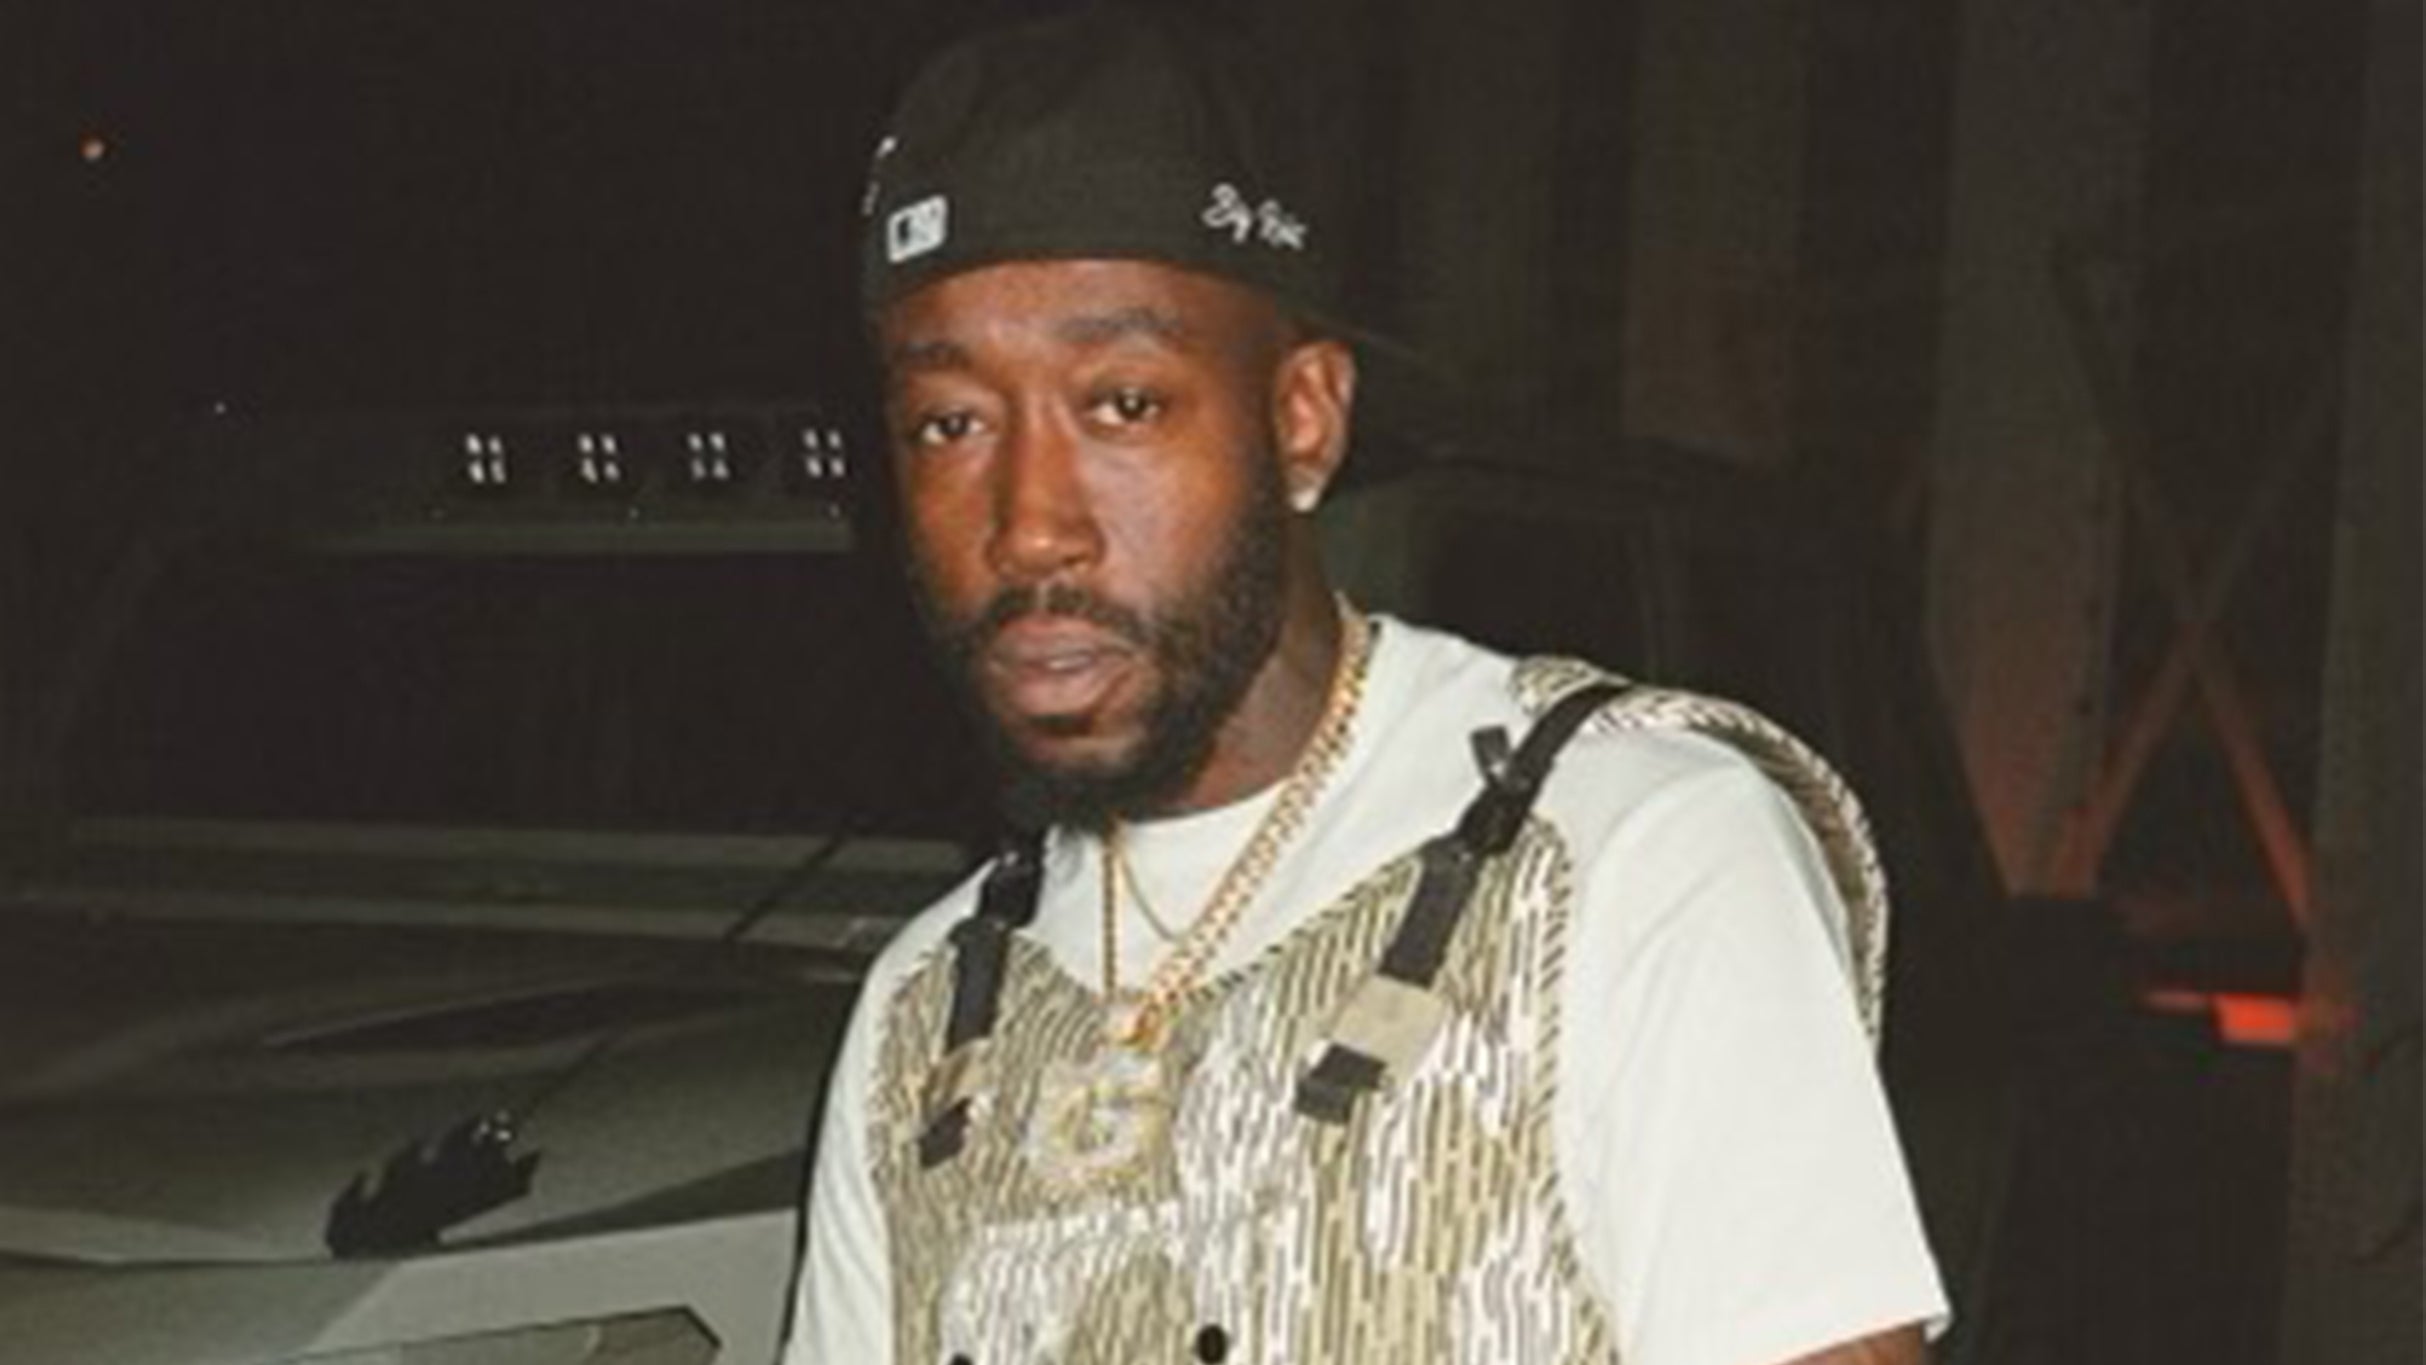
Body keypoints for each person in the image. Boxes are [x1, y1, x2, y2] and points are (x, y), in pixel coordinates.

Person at [794, 7, 1948, 1363]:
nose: (1029, 524)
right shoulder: (927, 1011)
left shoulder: (1630, 853)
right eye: (949, 423)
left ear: (1301, 422)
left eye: (1123, 403)